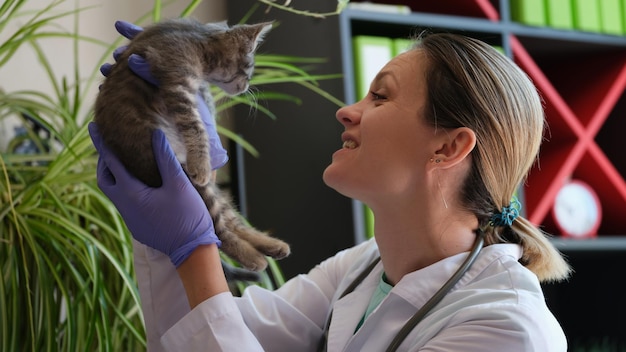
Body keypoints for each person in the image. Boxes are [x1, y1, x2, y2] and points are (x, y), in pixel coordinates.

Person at [89, 20, 572, 351]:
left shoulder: (507, 330)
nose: (347, 110)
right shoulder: (364, 268)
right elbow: (218, 330)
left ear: (448, 148)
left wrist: (196, 248)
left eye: (380, 96)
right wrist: (175, 192)